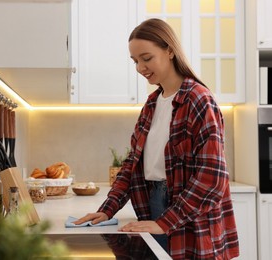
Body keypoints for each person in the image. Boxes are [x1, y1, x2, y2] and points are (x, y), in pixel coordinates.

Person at [74, 18, 240, 259]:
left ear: (170, 51)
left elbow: (212, 177)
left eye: (146, 58)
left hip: (188, 212)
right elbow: (132, 166)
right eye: (135, 61)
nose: (140, 67)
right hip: (154, 204)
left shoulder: (198, 100)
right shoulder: (152, 104)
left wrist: (166, 222)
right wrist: (107, 210)